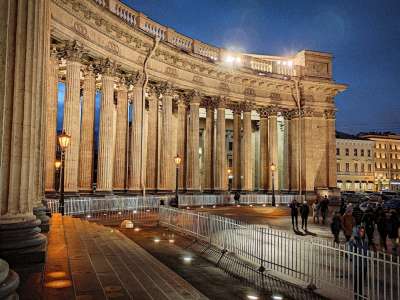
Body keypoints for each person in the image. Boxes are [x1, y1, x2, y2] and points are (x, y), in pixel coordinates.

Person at [350, 226, 369, 299]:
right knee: (357, 281)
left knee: (362, 281)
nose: (362, 233)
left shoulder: (365, 240)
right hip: (357, 264)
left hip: (364, 264)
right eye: (361, 231)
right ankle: (356, 296)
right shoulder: (354, 240)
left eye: (363, 232)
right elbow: (350, 251)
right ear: (358, 232)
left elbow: (367, 251)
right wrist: (354, 258)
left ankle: (360, 295)